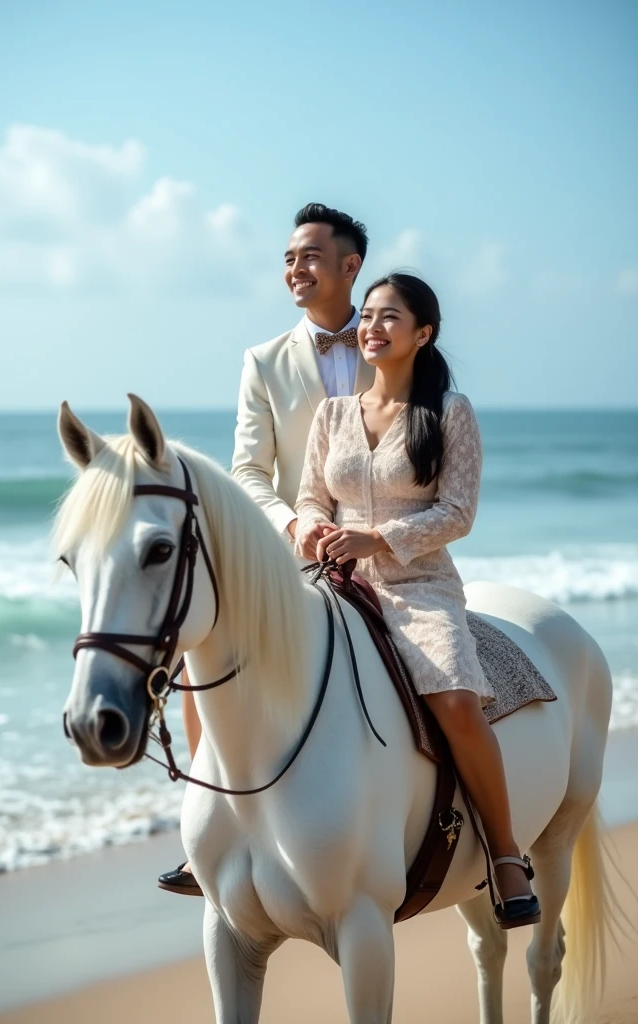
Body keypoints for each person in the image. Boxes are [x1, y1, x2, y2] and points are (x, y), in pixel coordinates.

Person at [294, 272, 541, 930]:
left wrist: (378, 536)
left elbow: (459, 513)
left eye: (389, 317)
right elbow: (311, 495)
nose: (371, 327)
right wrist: (314, 525)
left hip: (419, 584)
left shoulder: (450, 412)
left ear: (423, 333)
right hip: (336, 580)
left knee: (458, 700)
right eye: (367, 316)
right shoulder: (333, 413)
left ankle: (507, 853)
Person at [158, 203, 375, 895]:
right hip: (290, 560)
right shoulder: (262, 361)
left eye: (309, 255)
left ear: (351, 265)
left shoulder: (393, 344)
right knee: (200, 665)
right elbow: (247, 469)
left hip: (381, 552)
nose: (294, 268)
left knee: (437, 675)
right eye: (288, 258)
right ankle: (211, 828)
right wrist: (292, 526)